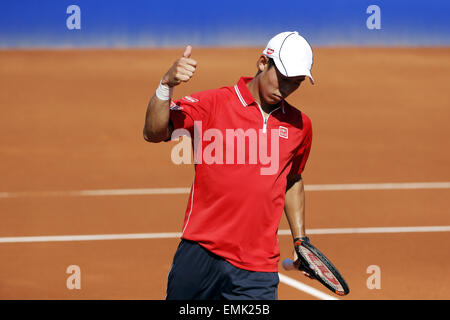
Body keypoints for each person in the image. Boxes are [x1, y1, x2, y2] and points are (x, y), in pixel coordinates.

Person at [143, 31, 315, 300]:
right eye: (282, 79)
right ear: (262, 62)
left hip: (257, 268)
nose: (286, 89)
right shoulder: (213, 104)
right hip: (200, 253)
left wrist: (300, 239)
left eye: (296, 83)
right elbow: (153, 133)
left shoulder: (299, 126)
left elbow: (292, 178)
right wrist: (166, 85)